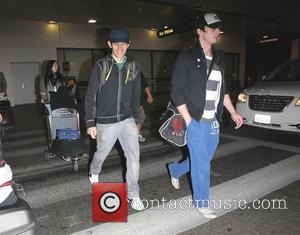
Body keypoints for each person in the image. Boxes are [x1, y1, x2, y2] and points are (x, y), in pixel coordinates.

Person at [168, 13, 243, 219]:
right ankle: (202, 202)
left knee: (201, 159)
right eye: (213, 28)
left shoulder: (220, 57)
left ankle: (175, 170)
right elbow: (177, 91)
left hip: (213, 122)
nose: (218, 32)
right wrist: (189, 121)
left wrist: (233, 112)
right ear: (200, 31)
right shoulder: (187, 57)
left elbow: (223, 90)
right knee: (202, 164)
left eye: (219, 28)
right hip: (195, 120)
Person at [85, 28, 144, 211]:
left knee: (134, 158)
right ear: (109, 44)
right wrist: (90, 122)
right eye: (116, 43)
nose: (120, 47)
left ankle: (133, 194)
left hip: (127, 120)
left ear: (128, 45)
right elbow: (90, 96)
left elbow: (136, 96)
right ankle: (94, 171)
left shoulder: (133, 66)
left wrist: (136, 119)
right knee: (101, 154)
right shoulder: (101, 66)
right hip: (106, 121)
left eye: (123, 43)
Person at [137, 73, 154, 142]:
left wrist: (149, 95)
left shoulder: (138, 72)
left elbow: (144, 84)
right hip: (124, 99)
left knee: (141, 114)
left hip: (137, 98)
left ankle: (137, 132)